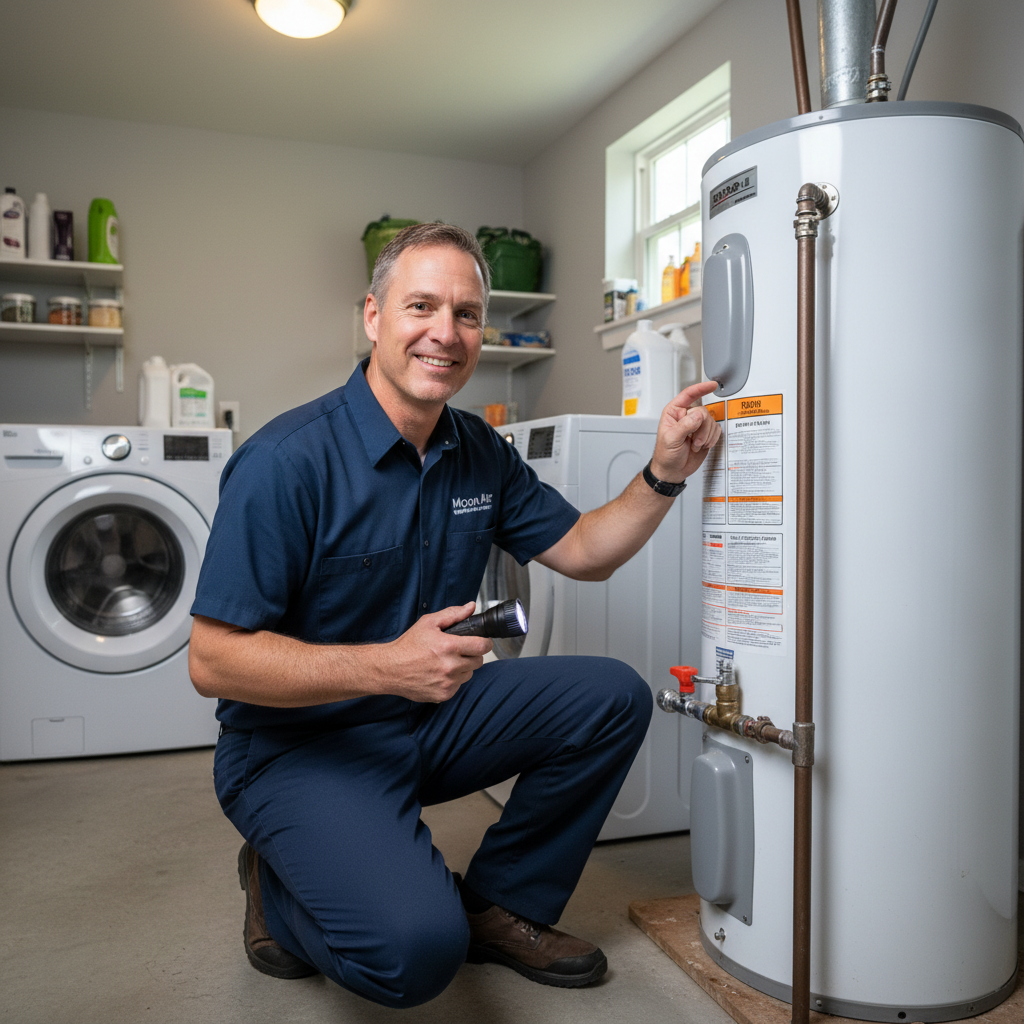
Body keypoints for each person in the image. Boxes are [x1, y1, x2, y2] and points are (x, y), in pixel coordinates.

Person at [188, 222, 721, 1009]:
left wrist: (664, 472)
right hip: (298, 748)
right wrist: (385, 665)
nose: (446, 332)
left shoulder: (477, 449)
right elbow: (212, 662)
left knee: (612, 697)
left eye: (466, 314)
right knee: (414, 956)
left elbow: (584, 550)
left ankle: (500, 904)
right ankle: (275, 880)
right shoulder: (285, 462)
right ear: (373, 316)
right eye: (421, 307)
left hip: (423, 718)